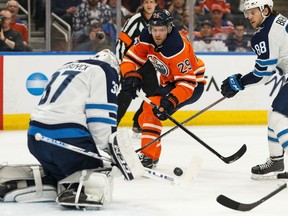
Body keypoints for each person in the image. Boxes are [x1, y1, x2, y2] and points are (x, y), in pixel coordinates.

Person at [0, 50, 140, 208]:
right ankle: (75, 189)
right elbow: (101, 122)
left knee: (61, 175)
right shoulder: (105, 70)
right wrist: (114, 153)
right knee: (97, 176)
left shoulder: (67, 66)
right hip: (67, 142)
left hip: (35, 140)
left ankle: (25, 183)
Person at [120, 9, 206, 168]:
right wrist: (130, 75)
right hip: (169, 83)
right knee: (145, 117)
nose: (157, 34)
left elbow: (187, 83)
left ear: (169, 28)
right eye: (154, 29)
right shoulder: (146, 36)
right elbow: (131, 58)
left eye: (161, 30)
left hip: (192, 85)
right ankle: (151, 154)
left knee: (151, 107)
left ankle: (148, 156)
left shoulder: (176, 46)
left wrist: (171, 101)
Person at [220, 0, 288, 180]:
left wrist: (239, 83)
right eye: (246, 13)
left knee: (278, 117)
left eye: (252, 12)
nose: (248, 17)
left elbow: (262, 74)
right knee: (275, 115)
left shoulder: (265, 34)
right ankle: (276, 160)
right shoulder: (278, 20)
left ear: (265, 10)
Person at [116, 0, 159, 137]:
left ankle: (138, 123)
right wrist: (121, 63)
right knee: (127, 94)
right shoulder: (134, 20)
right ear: (143, 4)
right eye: (146, 1)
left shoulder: (158, 21)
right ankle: (112, 124)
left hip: (147, 64)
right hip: (131, 62)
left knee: (154, 93)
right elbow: (122, 42)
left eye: (152, 1)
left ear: (156, 4)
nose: (149, 4)